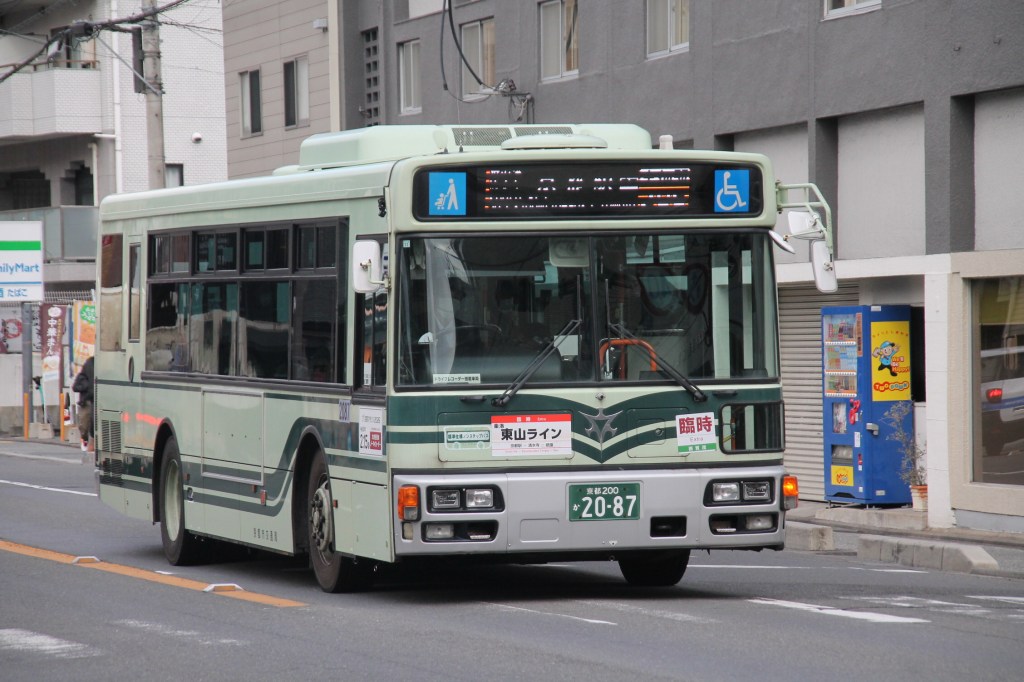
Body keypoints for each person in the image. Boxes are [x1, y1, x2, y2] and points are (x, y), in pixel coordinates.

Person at [72, 357, 94, 451]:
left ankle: (90, 443)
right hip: (87, 401)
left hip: (96, 400)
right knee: (85, 424)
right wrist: (86, 386)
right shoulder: (90, 362)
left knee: (92, 423)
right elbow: (75, 387)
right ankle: (86, 440)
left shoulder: (93, 362)